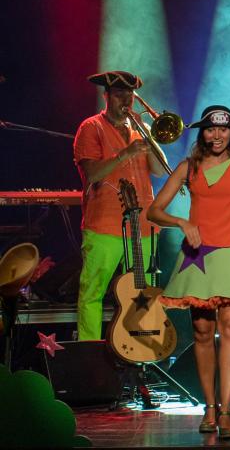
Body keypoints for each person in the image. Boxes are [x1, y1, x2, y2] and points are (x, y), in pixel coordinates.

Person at [147, 105, 230, 440]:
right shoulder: (188, 167)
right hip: (199, 257)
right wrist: (182, 222)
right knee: (203, 332)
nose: (217, 135)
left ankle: (226, 410)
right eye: (210, 129)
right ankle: (209, 406)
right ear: (202, 133)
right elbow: (154, 210)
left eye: (223, 129)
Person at [73, 70, 168, 341]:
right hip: (105, 224)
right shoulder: (91, 127)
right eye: (119, 94)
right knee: (93, 292)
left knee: (142, 294)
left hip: (144, 226)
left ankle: (139, 350)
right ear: (106, 96)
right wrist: (125, 153)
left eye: (130, 94)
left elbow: (160, 170)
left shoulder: (141, 128)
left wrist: (150, 138)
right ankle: (89, 351)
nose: (126, 100)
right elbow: (92, 174)